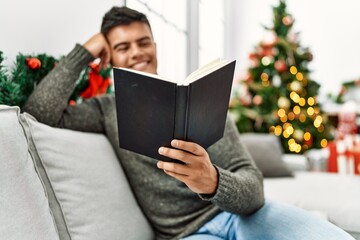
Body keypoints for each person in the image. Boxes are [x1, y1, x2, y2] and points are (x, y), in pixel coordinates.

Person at [23, 6, 354, 240]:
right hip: (185, 235)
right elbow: (40, 111)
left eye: (143, 41)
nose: (137, 52)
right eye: (122, 47)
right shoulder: (105, 111)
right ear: (109, 57)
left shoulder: (200, 100)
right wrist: (88, 49)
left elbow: (254, 193)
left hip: (240, 217)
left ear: (155, 45)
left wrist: (211, 180)